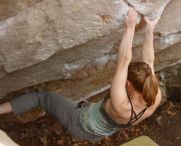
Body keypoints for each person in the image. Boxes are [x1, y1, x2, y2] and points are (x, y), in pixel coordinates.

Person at [0, 7, 161, 142]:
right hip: (97, 134)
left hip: (79, 124)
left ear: (129, 85)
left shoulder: (121, 103)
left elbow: (124, 60)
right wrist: (150, 30)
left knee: (40, 97)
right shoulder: (154, 96)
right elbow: (149, 62)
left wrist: (130, 27)